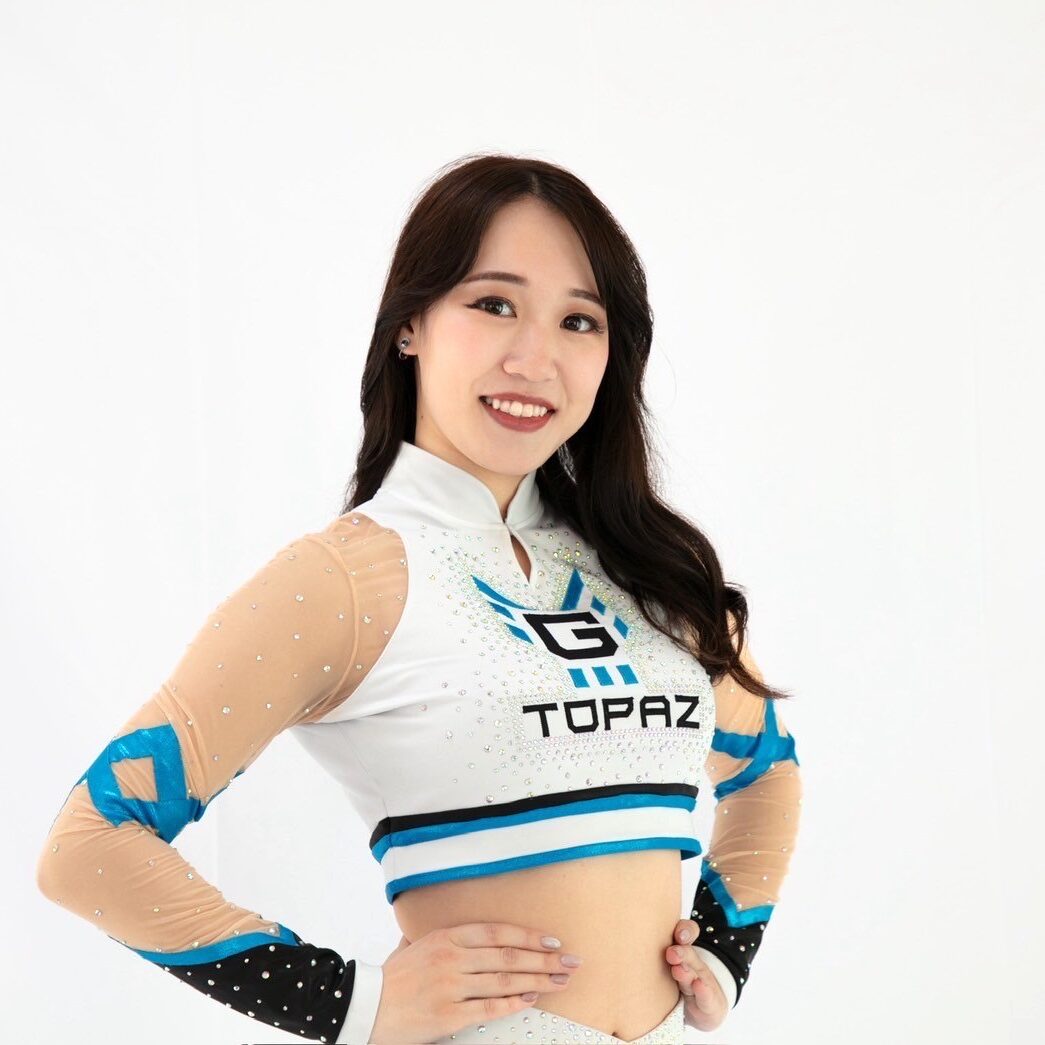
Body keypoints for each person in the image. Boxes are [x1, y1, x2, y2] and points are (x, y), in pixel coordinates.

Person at [36, 153, 803, 1044]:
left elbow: (766, 773)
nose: (534, 359)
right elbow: (89, 845)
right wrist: (348, 1000)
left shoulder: (655, 573)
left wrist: (724, 947)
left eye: (578, 320)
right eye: (493, 304)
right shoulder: (340, 581)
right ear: (410, 323)